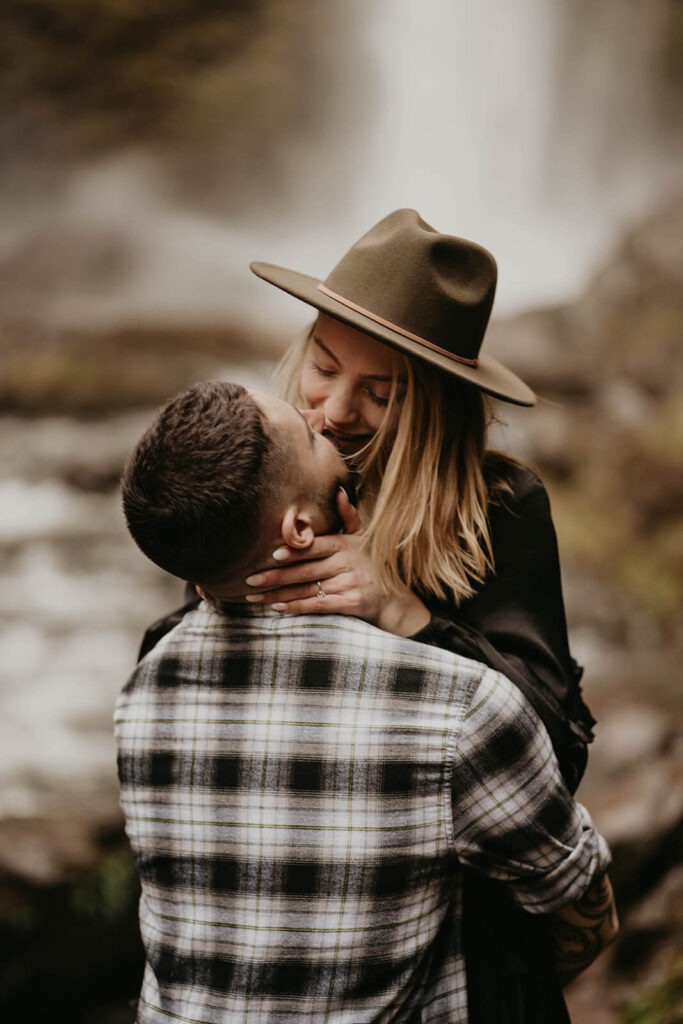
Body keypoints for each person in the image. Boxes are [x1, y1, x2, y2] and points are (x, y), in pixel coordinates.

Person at [118, 381, 617, 1024]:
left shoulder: (143, 695)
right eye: (307, 433)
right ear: (298, 529)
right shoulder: (459, 707)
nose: (321, 415)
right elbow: (583, 913)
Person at [240, 208, 598, 1022]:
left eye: (380, 392)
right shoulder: (263, 478)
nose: (332, 410)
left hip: (463, 949)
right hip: (297, 924)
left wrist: (405, 614)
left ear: (436, 402)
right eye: (323, 368)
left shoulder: (500, 508)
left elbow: (551, 754)